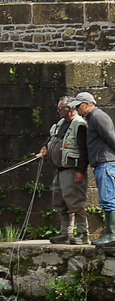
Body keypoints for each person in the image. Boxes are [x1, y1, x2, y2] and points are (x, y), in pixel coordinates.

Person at [37, 97, 89, 244]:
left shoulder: (79, 125)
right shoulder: (60, 124)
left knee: (76, 202)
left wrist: (80, 171)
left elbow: (85, 151)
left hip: (72, 170)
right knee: (60, 202)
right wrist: (45, 147)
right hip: (59, 170)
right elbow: (51, 140)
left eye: (61, 109)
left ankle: (82, 233)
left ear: (70, 109)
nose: (58, 111)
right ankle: (66, 233)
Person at [70, 91, 115, 246]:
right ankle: (110, 234)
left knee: (108, 200)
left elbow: (111, 137)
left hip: (106, 163)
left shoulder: (98, 116)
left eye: (78, 106)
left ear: (86, 104)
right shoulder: (92, 118)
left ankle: (111, 235)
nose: (76, 109)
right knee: (107, 199)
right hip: (102, 163)